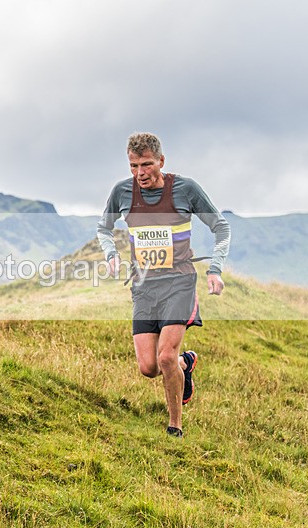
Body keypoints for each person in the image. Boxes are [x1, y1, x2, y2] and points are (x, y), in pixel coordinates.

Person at [97, 132, 231, 438]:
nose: (140, 173)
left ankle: (175, 427)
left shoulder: (186, 189)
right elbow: (103, 228)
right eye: (133, 166)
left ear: (161, 161)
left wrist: (215, 269)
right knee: (149, 367)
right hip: (144, 287)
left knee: (166, 356)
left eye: (146, 164)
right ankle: (186, 364)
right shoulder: (122, 192)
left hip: (180, 283)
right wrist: (111, 254)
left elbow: (220, 227)